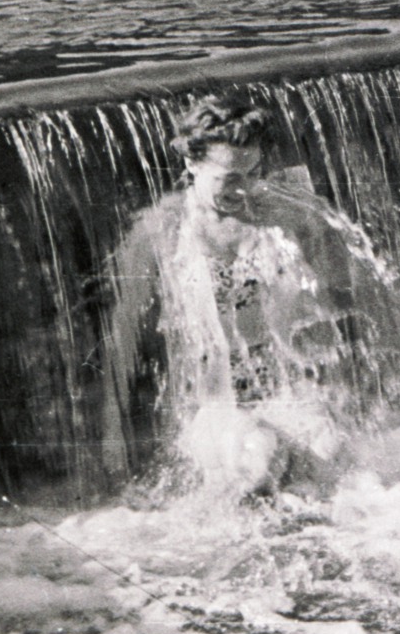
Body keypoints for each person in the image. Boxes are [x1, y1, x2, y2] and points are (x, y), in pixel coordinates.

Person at [97, 95, 363, 493]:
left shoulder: (282, 212)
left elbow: (342, 294)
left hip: (284, 387)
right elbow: (123, 335)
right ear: (191, 163)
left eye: (254, 173)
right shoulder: (161, 230)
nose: (245, 190)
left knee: (334, 451)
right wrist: (112, 426)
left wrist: (312, 238)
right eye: (229, 179)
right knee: (261, 453)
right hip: (210, 405)